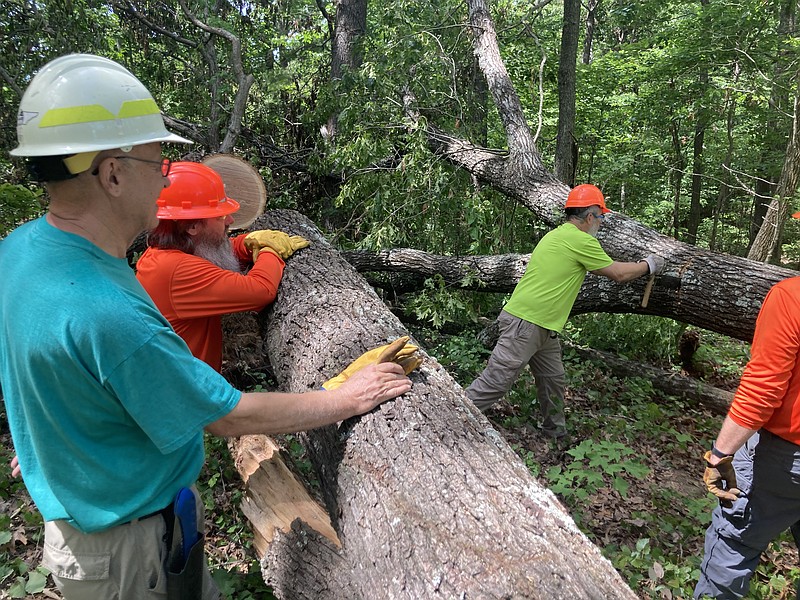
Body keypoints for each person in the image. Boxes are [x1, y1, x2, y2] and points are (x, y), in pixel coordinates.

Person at [0, 53, 416, 600]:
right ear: (114, 174)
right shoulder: (109, 314)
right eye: (159, 164)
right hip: (130, 550)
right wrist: (344, 397)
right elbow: (228, 416)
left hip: (98, 518)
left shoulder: (21, 250)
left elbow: (46, 359)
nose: (164, 180)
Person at [465, 184, 665, 441]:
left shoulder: (557, 235)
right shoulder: (578, 239)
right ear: (590, 216)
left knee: (553, 380)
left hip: (544, 327)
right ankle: (449, 418)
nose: (601, 224)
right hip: (526, 324)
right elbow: (618, 273)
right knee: (495, 383)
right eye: (601, 217)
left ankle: (555, 434)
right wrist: (648, 264)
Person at [135, 160, 309, 371]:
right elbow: (260, 290)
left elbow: (217, 251)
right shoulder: (177, 271)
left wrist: (248, 242)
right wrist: (272, 251)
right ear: (192, 226)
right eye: (221, 216)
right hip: (185, 398)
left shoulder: (164, 254)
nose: (230, 221)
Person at [694, 274, 800, 599]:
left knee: (733, 546)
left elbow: (762, 390)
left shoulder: (791, 296)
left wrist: (719, 455)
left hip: (782, 461)